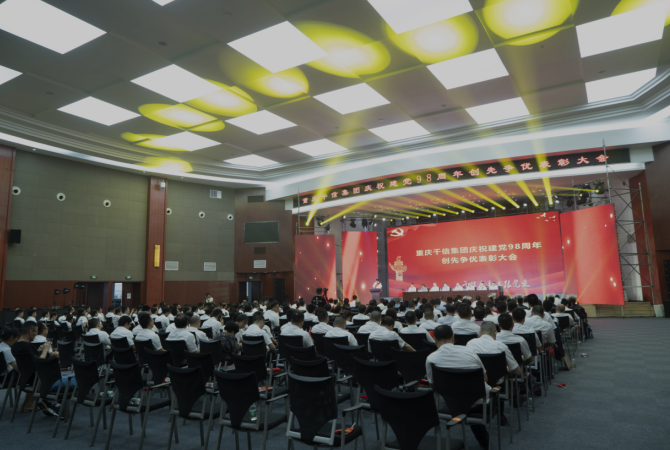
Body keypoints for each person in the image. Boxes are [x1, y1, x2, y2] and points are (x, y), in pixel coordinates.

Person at [425, 325, 490, 448]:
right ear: (453, 338)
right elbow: (485, 378)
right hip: (479, 403)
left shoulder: (431, 359)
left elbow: (433, 385)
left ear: (435, 340)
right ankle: (485, 442)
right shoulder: (469, 351)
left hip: (452, 403)